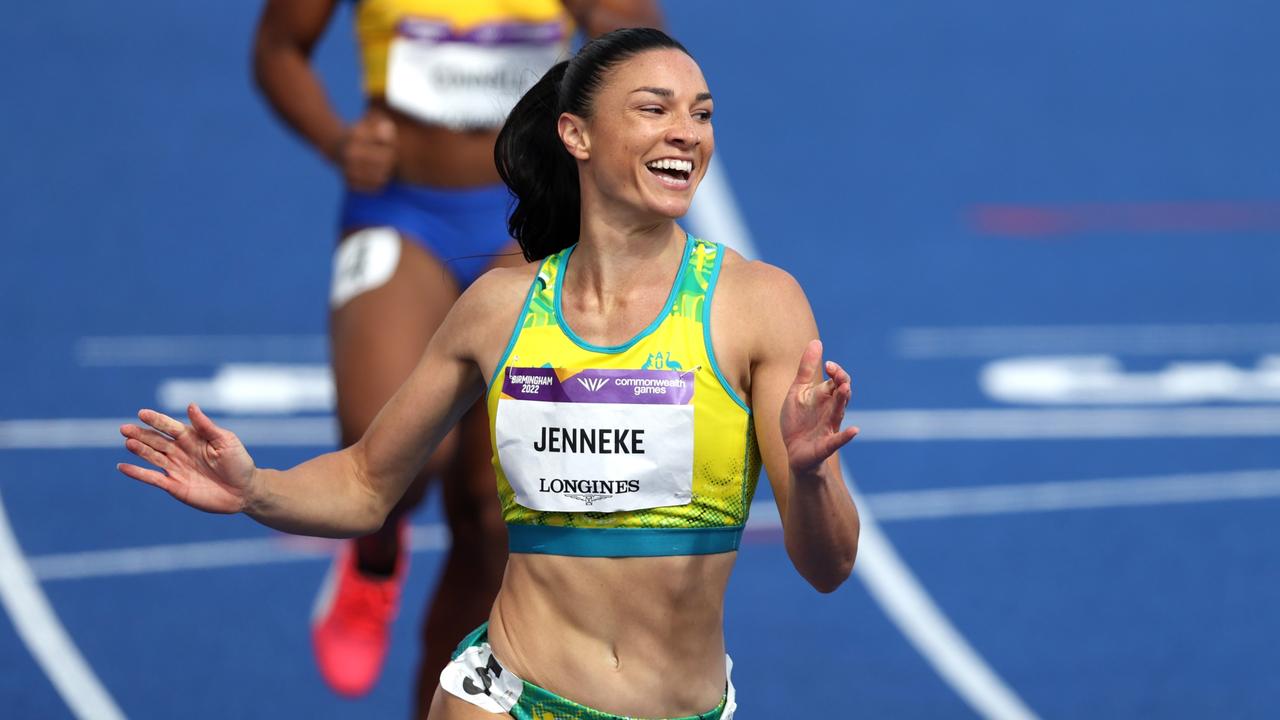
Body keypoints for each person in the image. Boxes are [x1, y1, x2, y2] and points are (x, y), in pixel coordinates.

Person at [122, 28, 859, 719]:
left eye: (700, 114)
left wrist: (812, 476)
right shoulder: (501, 310)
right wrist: (255, 489)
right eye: (653, 109)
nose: (687, 133)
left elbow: (829, 568)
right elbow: (365, 483)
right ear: (576, 133)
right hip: (503, 696)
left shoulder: (757, 306)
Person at [250, 0, 664, 707]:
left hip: (531, 215)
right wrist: (336, 142)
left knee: (492, 511)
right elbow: (278, 49)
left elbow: (640, 46)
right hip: (400, 208)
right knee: (393, 463)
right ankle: (374, 559)